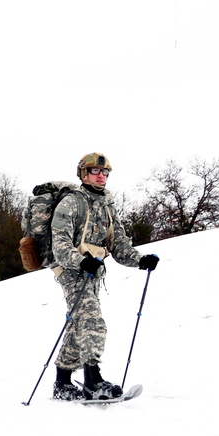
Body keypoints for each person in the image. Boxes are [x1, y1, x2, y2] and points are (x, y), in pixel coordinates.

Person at [50, 153, 160, 401]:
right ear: (83, 174)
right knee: (92, 321)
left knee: (81, 323)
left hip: (94, 271)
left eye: (105, 173)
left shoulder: (107, 205)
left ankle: (62, 382)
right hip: (71, 271)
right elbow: (60, 245)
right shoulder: (71, 203)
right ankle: (92, 381)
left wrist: (140, 259)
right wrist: (82, 261)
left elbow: (119, 245)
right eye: (95, 172)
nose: (101, 176)